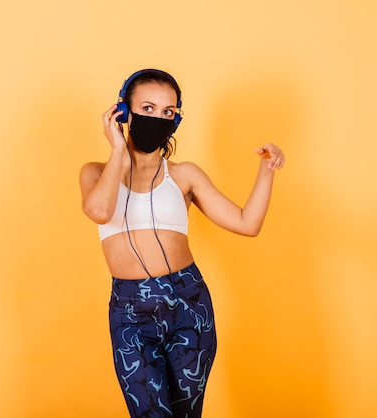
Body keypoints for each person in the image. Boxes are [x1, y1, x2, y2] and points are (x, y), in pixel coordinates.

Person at [79, 69, 285, 418]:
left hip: (189, 304)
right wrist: (117, 147)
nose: (158, 117)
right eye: (147, 107)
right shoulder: (95, 173)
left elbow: (247, 224)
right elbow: (99, 211)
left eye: (168, 112)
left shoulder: (184, 175)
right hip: (130, 313)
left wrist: (267, 169)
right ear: (124, 112)